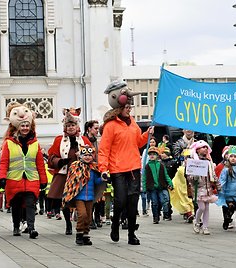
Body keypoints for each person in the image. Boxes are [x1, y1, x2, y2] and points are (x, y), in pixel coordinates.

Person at [98, 80, 152, 246]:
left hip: (134, 167)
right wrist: (103, 168)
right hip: (117, 169)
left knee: (133, 202)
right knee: (121, 200)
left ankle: (131, 234)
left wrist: (147, 134)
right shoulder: (111, 126)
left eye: (130, 107)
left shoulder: (133, 123)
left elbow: (138, 143)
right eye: (127, 107)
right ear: (119, 108)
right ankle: (115, 225)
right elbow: (104, 149)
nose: (129, 109)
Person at [0, 103, 48, 239]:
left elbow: (40, 164)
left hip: (32, 178)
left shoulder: (35, 143)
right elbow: (4, 162)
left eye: (27, 126)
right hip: (14, 179)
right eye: (23, 126)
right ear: (18, 128)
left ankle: (31, 228)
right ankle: (16, 226)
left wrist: (44, 180)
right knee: (16, 205)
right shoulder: (9, 143)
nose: (25, 128)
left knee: (31, 204)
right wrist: (2, 177)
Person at [46, 108, 91, 235]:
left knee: (81, 199)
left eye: (73, 125)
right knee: (64, 200)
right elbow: (51, 157)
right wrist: (59, 161)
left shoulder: (84, 140)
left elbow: (93, 155)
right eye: (68, 125)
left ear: (77, 126)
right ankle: (68, 223)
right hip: (65, 174)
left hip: (80, 175)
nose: (71, 127)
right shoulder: (59, 139)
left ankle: (81, 222)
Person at [62, 145, 106, 245]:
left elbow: (96, 182)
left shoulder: (93, 169)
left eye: (89, 155)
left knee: (89, 217)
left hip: (90, 197)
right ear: (80, 156)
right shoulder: (76, 167)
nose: (87, 157)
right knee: (82, 214)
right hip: (79, 196)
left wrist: (103, 179)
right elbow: (71, 181)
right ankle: (79, 233)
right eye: (85, 155)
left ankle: (86, 234)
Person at [187, 140, 218, 235]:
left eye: (206, 147)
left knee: (207, 208)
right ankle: (196, 221)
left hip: (208, 188)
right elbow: (189, 176)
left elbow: (213, 175)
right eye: (202, 147)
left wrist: (217, 183)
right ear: (197, 149)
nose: (205, 149)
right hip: (198, 188)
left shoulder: (209, 162)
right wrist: (194, 177)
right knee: (202, 207)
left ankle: (205, 226)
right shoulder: (194, 161)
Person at [142, 146, 173, 224]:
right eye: (150, 154)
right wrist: (144, 187)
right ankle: (155, 217)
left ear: (157, 155)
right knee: (154, 202)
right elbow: (144, 177)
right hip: (152, 187)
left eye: (154, 154)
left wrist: (170, 183)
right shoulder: (147, 166)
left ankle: (166, 213)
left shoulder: (161, 165)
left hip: (161, 186)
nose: (152, 156)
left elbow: (166, 175)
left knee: (164, 200)